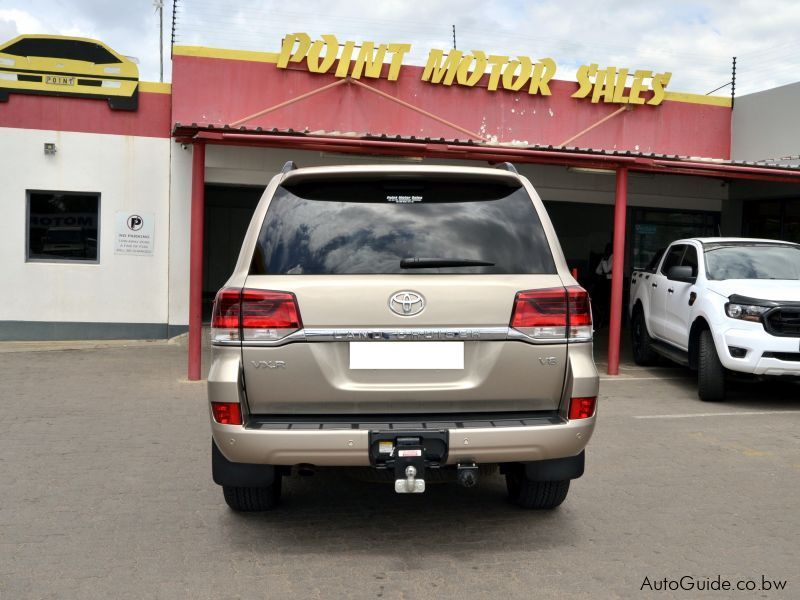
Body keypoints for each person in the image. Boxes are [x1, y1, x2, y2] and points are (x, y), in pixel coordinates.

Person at [593, 243, 613, 328]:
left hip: (610, 282)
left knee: (606, 303)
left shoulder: (613, 257)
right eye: (606, 249)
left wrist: (604, 261)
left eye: (608, 249)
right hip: (603, 281)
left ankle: (604, 321)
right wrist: (604, 261)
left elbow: (606, 270)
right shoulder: (604, 257)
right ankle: (600, 319)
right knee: (598, 301)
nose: (607, 251)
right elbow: (597, 270)